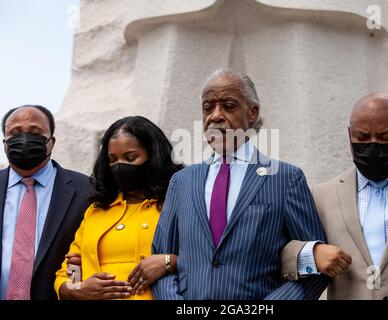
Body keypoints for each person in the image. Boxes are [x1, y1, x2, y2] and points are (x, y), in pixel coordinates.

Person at [152, 68, 328, 300]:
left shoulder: (285, 178)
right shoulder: (181, 182)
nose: (215, 115)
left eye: (228, 105)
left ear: (252, 112)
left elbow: (315, 266)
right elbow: (161, 260)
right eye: (208, 107)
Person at [282, 93, 388, 299]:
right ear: (349, 135)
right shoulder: (321, 196)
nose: (372, 145)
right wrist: (311, 253)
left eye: (385, 138)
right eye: (361, 138)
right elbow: (278, 251)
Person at [54, 116, 183, 300]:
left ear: (154, 156)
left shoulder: (177, 203)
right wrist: (78, 288)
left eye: (131, 158)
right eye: (112, 159)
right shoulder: (96, 211)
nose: (120, 166)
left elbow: (207, 259)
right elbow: (67, 273)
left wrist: (169, 262)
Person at [0, 105, 91, 300]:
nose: (24, 138)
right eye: (15, 132)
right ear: (5, 142)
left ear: (52, 141)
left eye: (35, 132)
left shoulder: (86, 189)